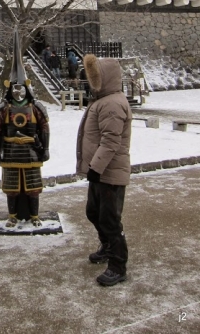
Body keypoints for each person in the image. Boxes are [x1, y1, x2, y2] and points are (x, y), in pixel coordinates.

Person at [76, 54, 132, 287]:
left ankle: (118, 265)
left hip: (109, 173)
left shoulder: (112, 104)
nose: (90, 82)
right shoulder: (102, 101)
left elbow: (111, 141)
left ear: (104, 78)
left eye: (94, 77)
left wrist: (95, 168)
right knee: (93, 212)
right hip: (99, 172)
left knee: (110, 220)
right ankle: (107, 246)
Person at [0, 28, 50, 227]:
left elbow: (44, 129)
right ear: (10, 88)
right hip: (10, 151)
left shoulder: (36, 107)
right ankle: (12, 216)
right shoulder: (3, 109)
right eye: (15, 88)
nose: (18, 91)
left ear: (27, 87)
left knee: (33, 187)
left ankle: (34, 216)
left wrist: (46, 148)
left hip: (32, 150)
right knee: (11, 188)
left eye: (21, 87)